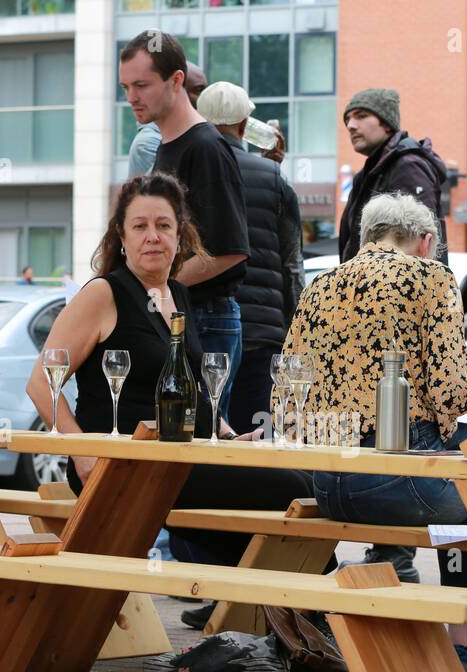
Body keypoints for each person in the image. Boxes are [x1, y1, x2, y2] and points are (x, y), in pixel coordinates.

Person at [23, 172, 311, 597]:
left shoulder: (177, 293)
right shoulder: (104, 293)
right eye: (140, 226)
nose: (152, 237)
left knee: (301, 486)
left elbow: (191, 385)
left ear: (180, 235)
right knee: (288, 491)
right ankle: (302, 622)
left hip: (182, 458)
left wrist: (231, 434)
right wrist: (83, 452)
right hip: (124, 464)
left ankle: (274, 622)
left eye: (163, 226)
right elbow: (39, 384)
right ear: (121, 236)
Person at [284, 194, 467, 645]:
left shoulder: (319, 286)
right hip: (402, 487)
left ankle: (392, 558)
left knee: (416, 449)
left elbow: (287, 395)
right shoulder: (431, 277)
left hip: (329, 485)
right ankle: (464, 637)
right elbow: (453, 392)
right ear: (424, 241)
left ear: (367, 237)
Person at [120, 30, 249, 421]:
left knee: (201, 443)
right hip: (187, 313)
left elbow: (230, 250)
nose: (131, 97)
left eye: (141, 85)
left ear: (177, 81)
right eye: (126, 86)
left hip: (206, 315)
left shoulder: (205, 147)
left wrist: (157, 289)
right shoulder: (167, 144)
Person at [195, 81, 304, 436]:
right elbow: (291, 264)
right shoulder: (273, 177)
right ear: (245, 126)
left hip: (209, 329)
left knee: (210, 436)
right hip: (265, 332)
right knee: (257, 440)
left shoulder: (192, 169)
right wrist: (294, 330)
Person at [337, 87, 448, 266]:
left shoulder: (408, 166)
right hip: (374, 289)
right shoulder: (369, 174)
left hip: (398, 290)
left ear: (387, 124)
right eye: (348, 119)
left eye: (361, 115)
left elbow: (421, 244)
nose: (351, 125)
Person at [126, 61, 207, 178]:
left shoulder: (190, 134)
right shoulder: (148, 143)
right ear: (177, 88)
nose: (204, 97)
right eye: (199, 90)